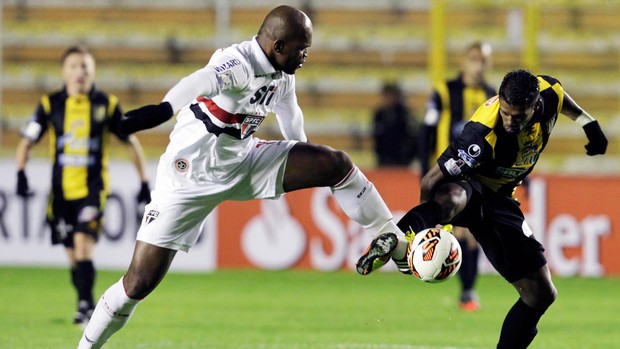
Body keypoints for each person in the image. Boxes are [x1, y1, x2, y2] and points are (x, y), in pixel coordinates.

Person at [78, 6, 405, 348]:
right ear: (278, 46)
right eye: (302, 47)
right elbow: (196, 82)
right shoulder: (236, 63)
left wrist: (308, 161)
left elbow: (291, 120)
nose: (306, 54)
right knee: (138, 284)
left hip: (245, 160)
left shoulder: (283, 75)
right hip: (189, 178)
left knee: (335, 163)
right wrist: (162, 110)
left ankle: (392, 240)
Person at [357, 69, 608, 348]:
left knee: (541, 294)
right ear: (499, 101)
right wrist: (427, 233)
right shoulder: (481, 133)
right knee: (454, 197)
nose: (510, 121)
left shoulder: (549, 92)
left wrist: (588, 122)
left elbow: (561, 98)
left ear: (536, 106)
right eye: (505, 113)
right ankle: (399, 238)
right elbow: (431, 179)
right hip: (472, 184)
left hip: (502, 200)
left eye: (518, 115)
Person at [15, 44, 151, 327]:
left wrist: (143, 181)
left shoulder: (106, 104)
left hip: (93, 190)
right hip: (61, 194)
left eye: (86, 66)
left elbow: (131, 141)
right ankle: (84, 303)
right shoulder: (50, 104)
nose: (81, 72)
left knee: (82, 246)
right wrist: (20, 172)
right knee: (73, 254)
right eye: (75, 66)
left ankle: (87, 307)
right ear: (64, 71)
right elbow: (27, 140)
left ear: (93, 71)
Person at [419, 42, 495, 311]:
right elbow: (427, 130)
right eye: (475, 59)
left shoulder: (491, 95)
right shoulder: (444, 91)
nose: (479, 65)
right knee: (461, 229)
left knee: (471, 233)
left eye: (484, 60)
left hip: (477, 174)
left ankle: (467, 290)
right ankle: (465, 290)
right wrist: (424, 171)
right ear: (464, 61)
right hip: (446, 171)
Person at [372, 82, 417, 166]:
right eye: (386, 96)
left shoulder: (404, 113)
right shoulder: (379, 114)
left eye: (391, 95)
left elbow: (412, 136)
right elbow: (376, 135)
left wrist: (407, 154)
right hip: (383, 158)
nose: (388, 99)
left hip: (401, 158)